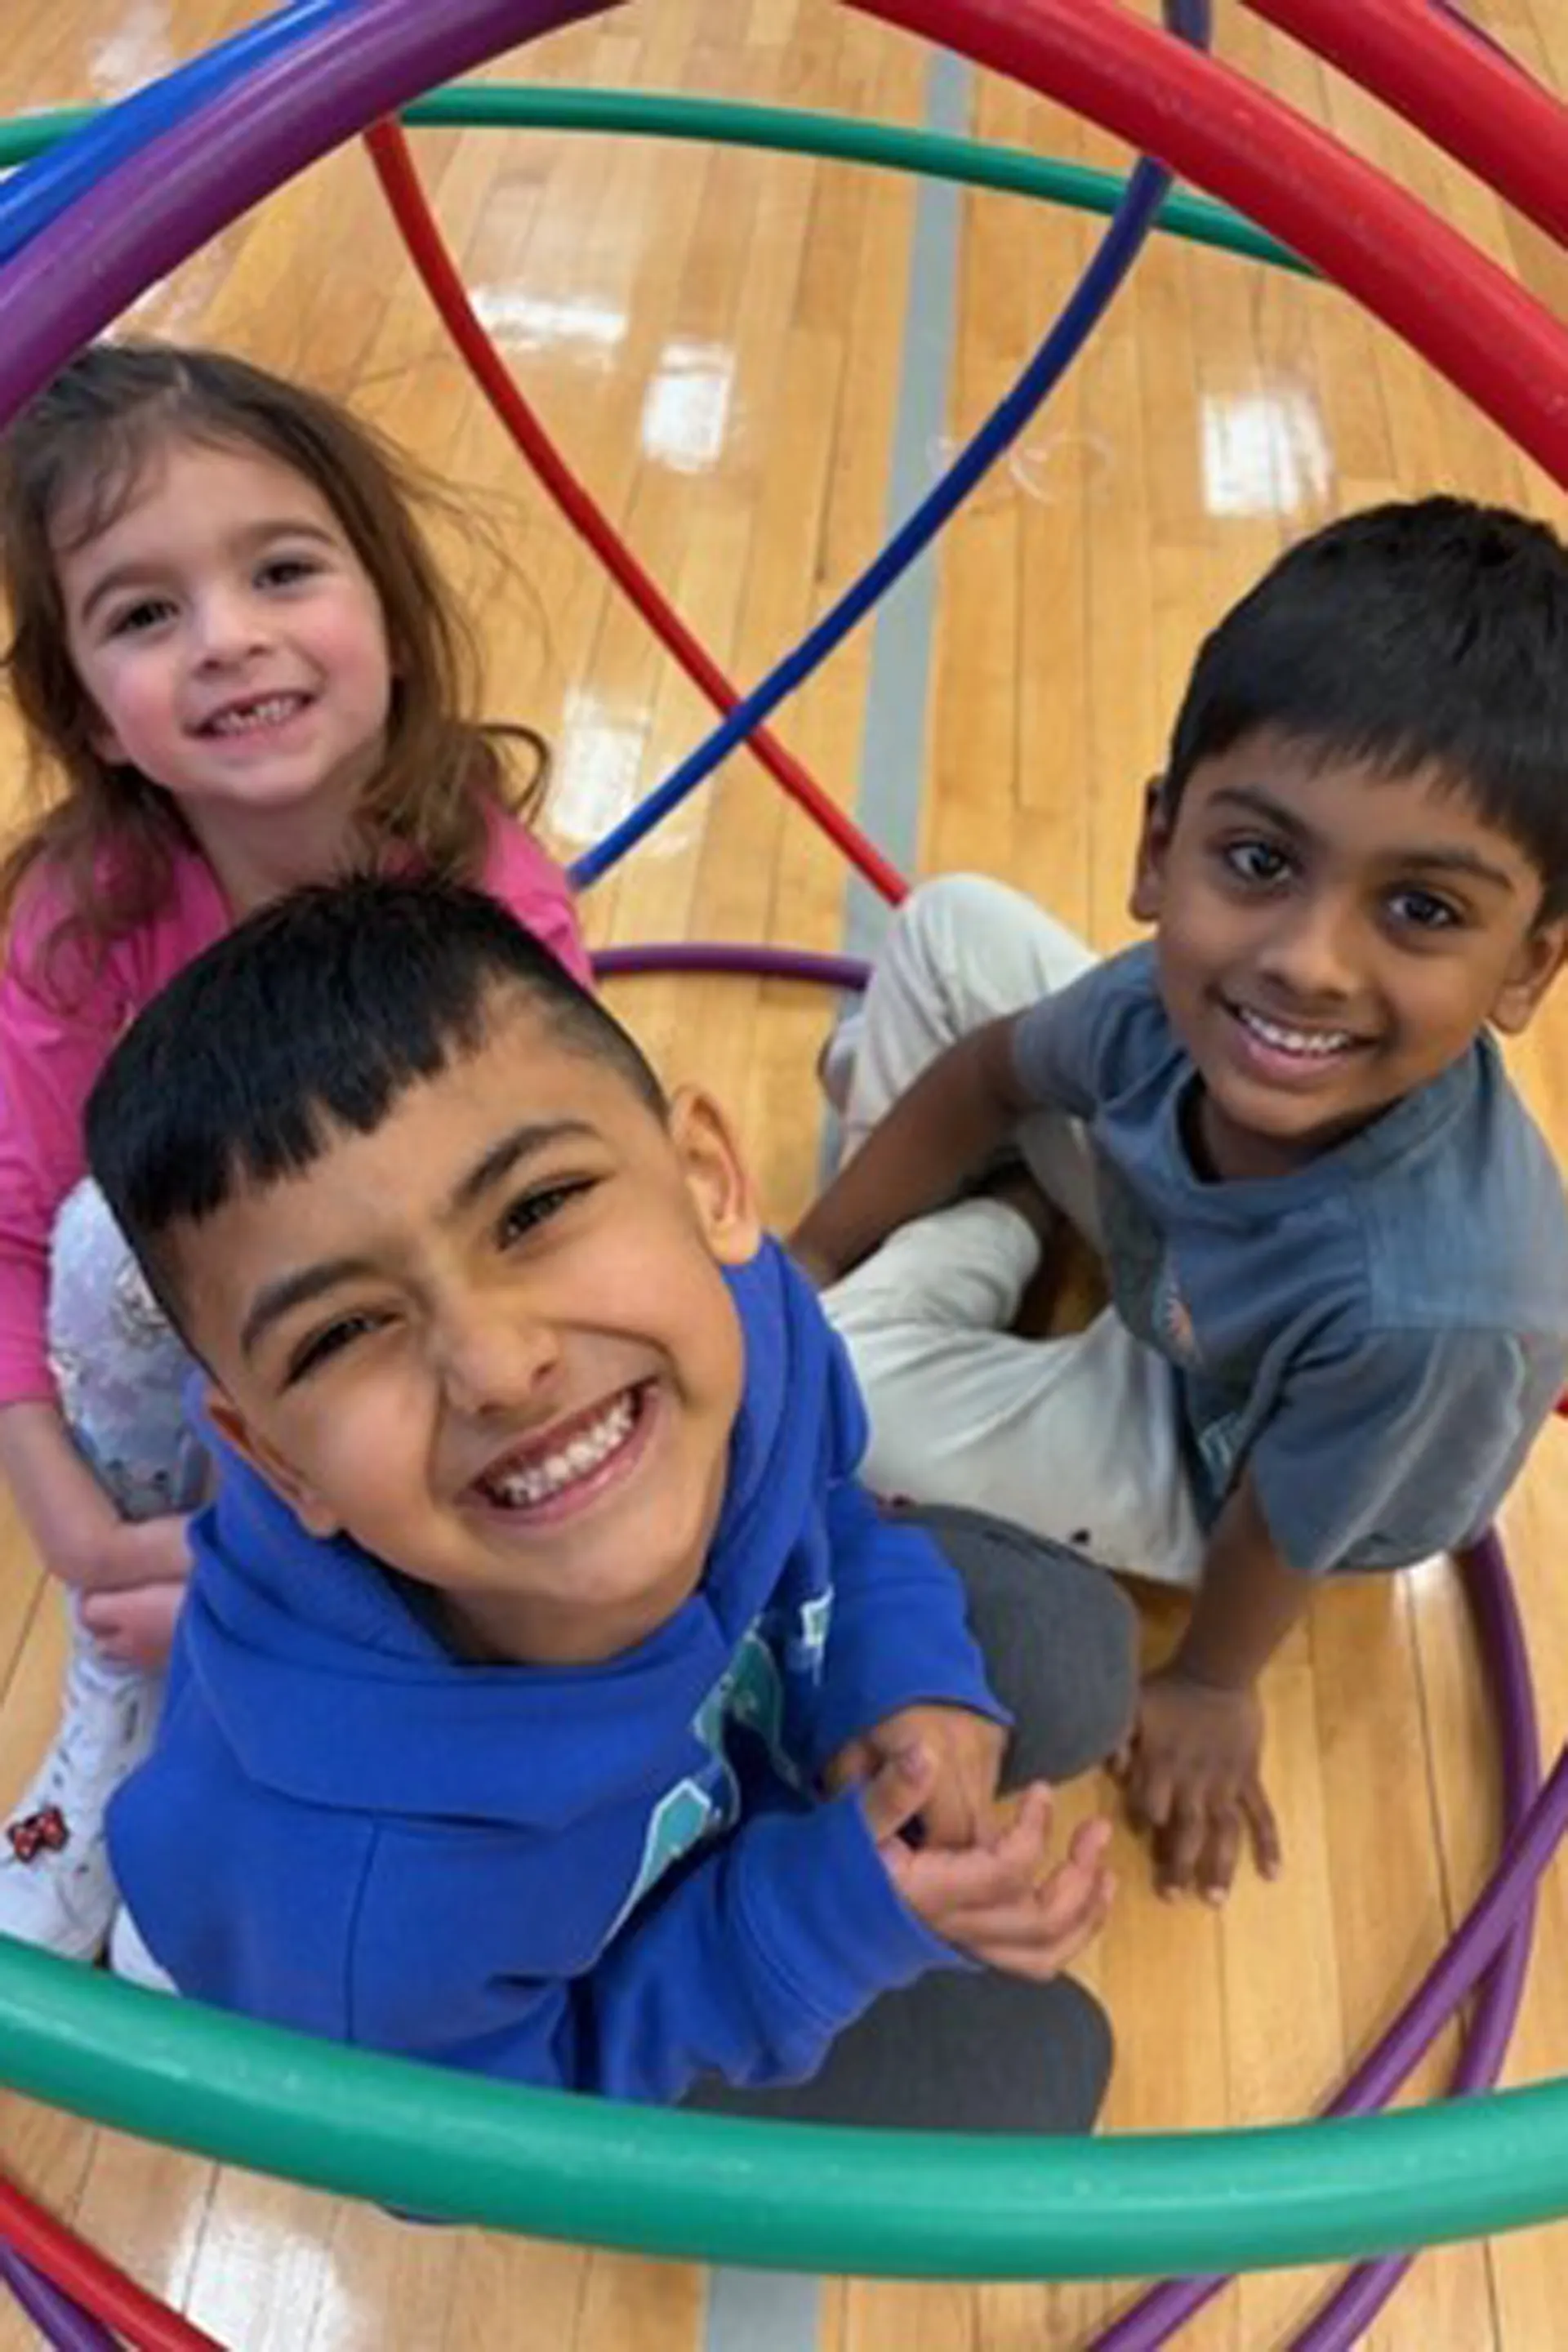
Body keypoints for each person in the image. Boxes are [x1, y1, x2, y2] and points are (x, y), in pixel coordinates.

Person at [86, 876, 1133, 2132]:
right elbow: (488, 2145)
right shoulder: (364, 1908)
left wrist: (896, 1669)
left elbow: (833, 1506)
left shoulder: (738, 1320)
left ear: (708, 1185)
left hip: (711, 1763)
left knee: (1080, 1649)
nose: (496, 1366)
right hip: (528, 1978)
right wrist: (810, 1926)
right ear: (278, 1462)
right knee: (1046, 2072)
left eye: (533, 1211)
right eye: (346, 1331)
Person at [791, 497, 1568, 1904]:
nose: (1307, 964)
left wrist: (1212, 1679)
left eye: (1426, 912)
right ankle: (1001, 1226)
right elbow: (987, 1065)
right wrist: (807, 1248)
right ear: (1161, 849)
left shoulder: (1433, 1304)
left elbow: (1290, 1515)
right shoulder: (1178, 1010)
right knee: (951, 925)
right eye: (1261, 863)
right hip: (1175, 1268)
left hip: (1231, 1461)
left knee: (833, 1394)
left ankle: (986, 1235)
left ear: (1530, 967)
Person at [0, 341, 590, 1963]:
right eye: (142, 613)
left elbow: (526, 1267)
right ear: (93, 717)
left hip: (414, 1372)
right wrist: (62, 1506)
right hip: (178, 1384)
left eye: (279, 569)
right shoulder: (77, 929)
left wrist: (273, 1566)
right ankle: (126, 1687)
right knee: (115, 1242)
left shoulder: (497, 924)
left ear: (388, 614)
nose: (230, 640)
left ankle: (297, 1689)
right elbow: (17, 1240)